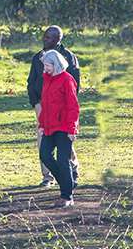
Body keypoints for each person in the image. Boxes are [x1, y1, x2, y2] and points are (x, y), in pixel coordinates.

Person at [27, 25, 80, 186]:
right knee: (43, 139)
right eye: (45, 36)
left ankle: (72, 169)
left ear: (58, 39)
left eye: (49, 37)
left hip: (61, 105)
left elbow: (74, 83)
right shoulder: (38, 58)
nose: (45, 39)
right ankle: (47, 177)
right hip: (42, 104)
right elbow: (31, 81)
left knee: (62, 137)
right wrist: (36, 103)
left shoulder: (68, 57)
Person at [38, 49, 80, 207]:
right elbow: (45, 104)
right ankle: (66, 182)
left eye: (47, 65)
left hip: (64, 127)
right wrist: (42, 124)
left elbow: (73, 106)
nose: (45, 68)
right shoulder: (47, 79)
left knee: (63, 160)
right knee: (45, 155)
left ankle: (67, 196)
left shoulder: (67, 79)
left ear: (55, 64)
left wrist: (72, 129)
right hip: (49, 126)